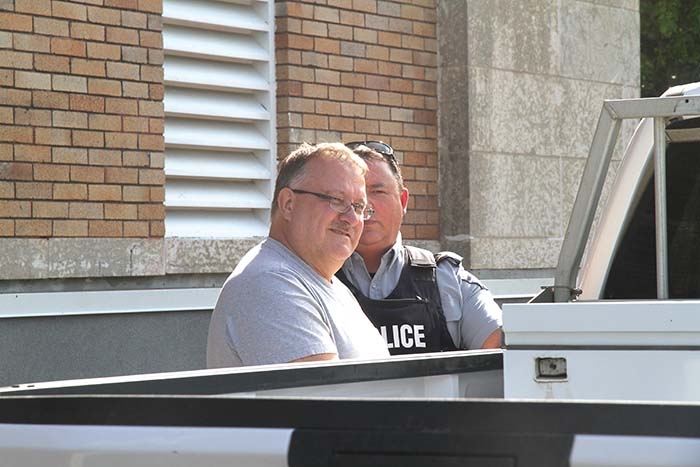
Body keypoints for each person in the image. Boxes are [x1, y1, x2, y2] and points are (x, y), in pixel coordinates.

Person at [207, 142, 390, 368]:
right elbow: (327, 398)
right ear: (288, 204)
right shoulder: (269, 284)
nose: (352, 218)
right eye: (336, 200)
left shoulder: (328, 285)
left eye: (359, 207)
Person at [337, 141, 502, 355]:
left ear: (403, 200)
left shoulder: (447, 280)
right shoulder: (313, 280)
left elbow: (505, 354)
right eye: (353, 194)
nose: (366, 204)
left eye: (378, 191)